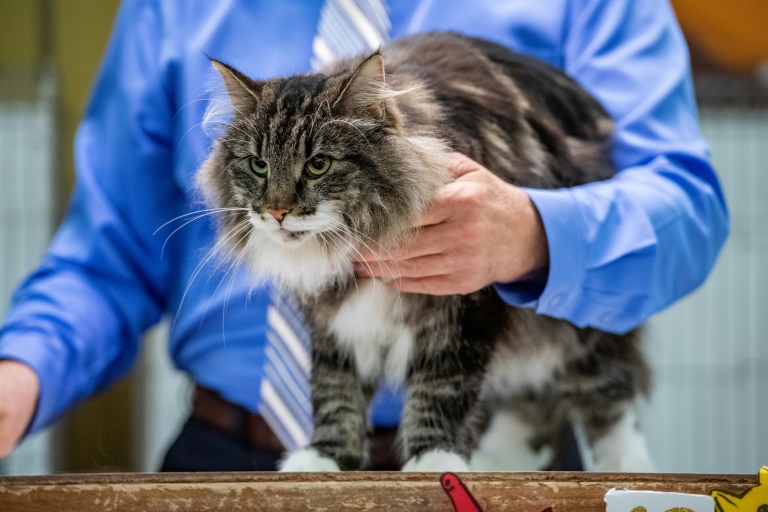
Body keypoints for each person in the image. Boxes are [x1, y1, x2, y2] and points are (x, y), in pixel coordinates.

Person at [0, 0, 729, 471]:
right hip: (233, 455)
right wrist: (16, 375)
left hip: (504, 451)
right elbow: (108, 258)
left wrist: (535, 234)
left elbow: (687, 210)